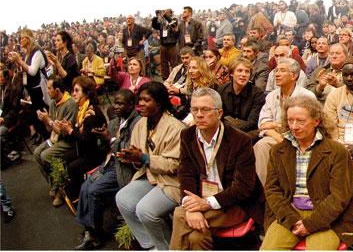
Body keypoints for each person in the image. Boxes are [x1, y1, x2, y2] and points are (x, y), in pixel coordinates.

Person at [260, 96, 353, 250]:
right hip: (290, 212)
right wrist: (291, 220)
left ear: (316, 121)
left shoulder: (336, 151)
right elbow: (272, 190)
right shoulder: (278, 151)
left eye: (300, 121)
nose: (294, 126)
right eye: (290, 120)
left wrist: (311, 224)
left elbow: (340, 196)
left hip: (329, 216)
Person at [170, 88, 263, 250]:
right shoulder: (187, 135)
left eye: (205, 110)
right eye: (195, 110)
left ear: (219, 113)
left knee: (179, 215)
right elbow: (185, 174)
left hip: (234, 204)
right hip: (200, 200)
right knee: (196, 236)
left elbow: (243, 188)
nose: (199, 115)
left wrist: (205, 204)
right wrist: (191, 205)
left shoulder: (240, 140)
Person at [115, 82, 185, 250]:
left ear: (159, 103)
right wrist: (133, 158)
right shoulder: (140, 124)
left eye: (147, 100)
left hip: (171, 181)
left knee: (145, 210)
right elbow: (138, 154)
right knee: (123, 199)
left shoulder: (176, 127)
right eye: (140, 100)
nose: (141, 104)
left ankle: (167, 248)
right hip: (150, 175)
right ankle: (150, 245)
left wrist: (145, 157)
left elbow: (175, 164)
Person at [74, 89, 141, 250]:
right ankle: (89, 230)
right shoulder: (114, 121)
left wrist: (109, 139)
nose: (115, 106)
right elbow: (105, 148)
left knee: (94, 191)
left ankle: (96, 235)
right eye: (115, 102)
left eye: (120, 103)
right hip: (108, 163)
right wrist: (101, 139)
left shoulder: (137, 123)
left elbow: (128, 151)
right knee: (85, 187)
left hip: (123, 167)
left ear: (131, 105)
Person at [254, 58, 317, 186]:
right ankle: (264, 192)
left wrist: (274, 125)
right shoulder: (271, 96)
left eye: (282, 71)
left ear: (294, 75)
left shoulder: (306, 96)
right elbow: (263, 124)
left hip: (300, 138)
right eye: (276, 71)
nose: (276, 74)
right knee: (261, 146)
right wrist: (278, 135)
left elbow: (309, 125)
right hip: (275, 137)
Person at [33, 76, 78, 207]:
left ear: (57, 90)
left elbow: (64, 132)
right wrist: (45, 120)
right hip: (54, 138)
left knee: (45, 156)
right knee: (36, 153)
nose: (47, 91)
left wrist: (49, 121)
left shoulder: (70, 105)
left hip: (67, 141)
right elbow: (50, 129)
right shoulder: (53, 103)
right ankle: (54, 183)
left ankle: (61, 187)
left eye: (49, 88)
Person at [62, 77, 108, 202]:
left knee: (72, 167)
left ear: (86, 93)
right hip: (88, 148)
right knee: (65, 157)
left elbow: (87, 140)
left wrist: (71, 130)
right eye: (73, 90)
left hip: (97, 152)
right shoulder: (83, 108)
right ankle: (75, 186)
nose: (73, 94)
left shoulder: (91, 112)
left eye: (77, 91)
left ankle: (78, 196)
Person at [217, 58, 265, 133]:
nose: (243, 75)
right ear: (231, 73)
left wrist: (229, 121)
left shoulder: (257, 94)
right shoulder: (222, 90)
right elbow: (218, 117)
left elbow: (252, 124)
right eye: (239, 71)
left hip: (248, 133)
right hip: (224, 131)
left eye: (247, 72)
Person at [7, 29, 49, 111]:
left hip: (39, 89)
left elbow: (33, 72)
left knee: (40, 114)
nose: (20, 40)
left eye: (23, 38)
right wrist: (16, 61)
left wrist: (19, 60)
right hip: (32, 88)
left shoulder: (37, 51)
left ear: (28, 39)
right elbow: (25, 69)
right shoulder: (28, 52)